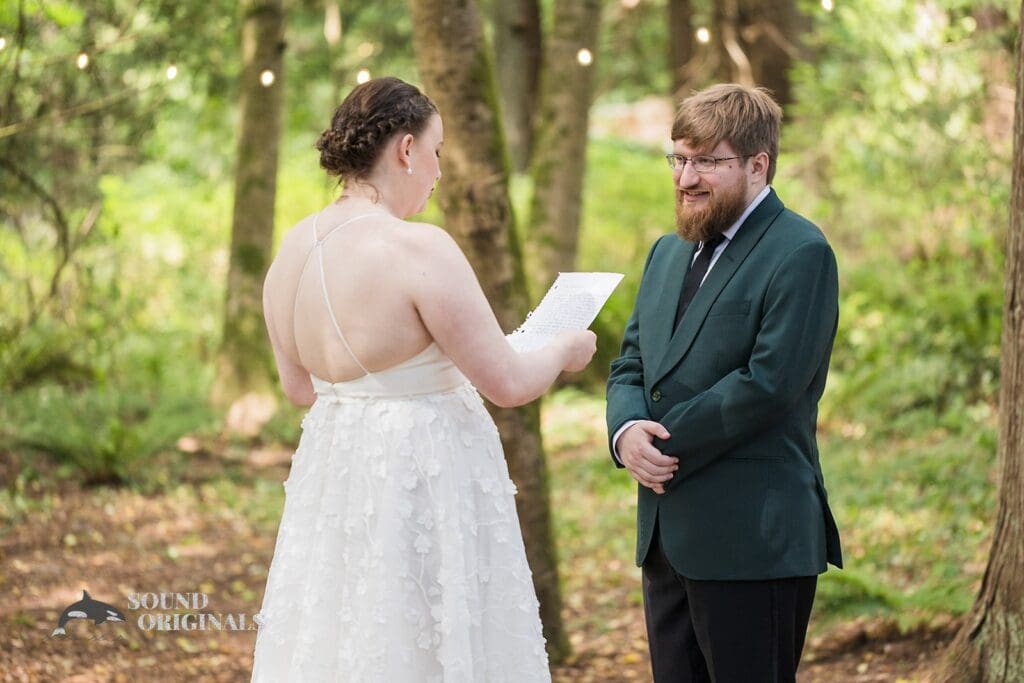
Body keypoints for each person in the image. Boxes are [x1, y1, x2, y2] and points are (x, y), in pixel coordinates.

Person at [251, 76, 596, 682]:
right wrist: (565, 345)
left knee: (350, 637)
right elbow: (509, 384)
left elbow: (300, 390)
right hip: (421, 485)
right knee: (428, 643)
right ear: (405, 150)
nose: (439, 172)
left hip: (337, 483)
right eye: (436, 153)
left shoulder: (290, 254)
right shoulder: (418, 249)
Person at [605, 84, 843, 683]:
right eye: (680, 158)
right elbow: (631, 362)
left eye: (707, 161)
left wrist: (658, 442)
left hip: (752, 541)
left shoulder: (801, 251)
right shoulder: (665, 253)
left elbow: (769, 384)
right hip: (665, 538)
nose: (686, 177)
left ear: (757, 165)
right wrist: (626, 431)